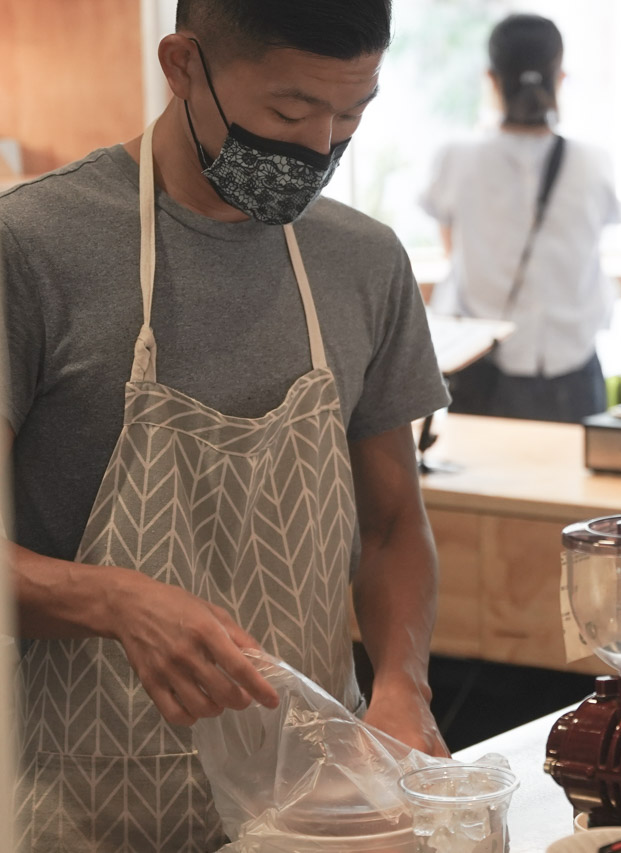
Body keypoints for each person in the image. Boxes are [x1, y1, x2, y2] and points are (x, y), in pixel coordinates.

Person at [1, 1, 451, 850]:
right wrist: (114, 598)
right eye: (288, 111)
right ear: (181, 66)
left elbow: (394, 527)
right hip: (86, 812)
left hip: (314, 813)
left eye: (351, 113)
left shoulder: (365, 263)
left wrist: (403, 681)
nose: (320, 146)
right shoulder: (31, 250)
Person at [422, 13, 621, 423]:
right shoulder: (593, 163)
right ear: (560, 77)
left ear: (492, 80)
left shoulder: (456, 160)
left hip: (484, 372)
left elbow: (452, 252)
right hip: (575, 373)